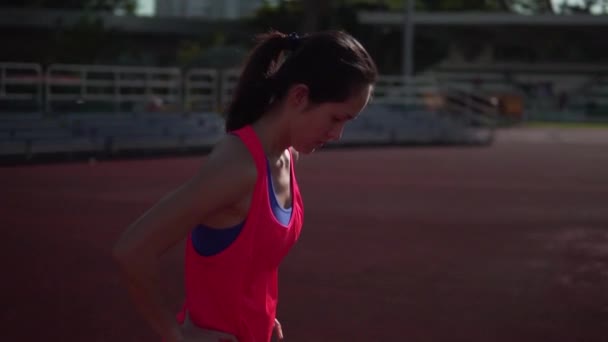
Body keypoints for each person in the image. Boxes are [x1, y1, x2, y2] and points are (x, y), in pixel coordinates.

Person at [112, 29, 378, 342]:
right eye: (336, 118)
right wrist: (176, 337)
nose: (337, 134)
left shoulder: (284, 156)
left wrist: (262, 316)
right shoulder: (237, 167)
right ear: (299, 96)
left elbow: (246, 265)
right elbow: (132, 249)